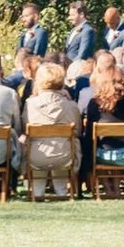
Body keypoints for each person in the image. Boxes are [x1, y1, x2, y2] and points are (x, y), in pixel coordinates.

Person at [20, 60, 80, 197]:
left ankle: (38, 192)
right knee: (68, 143)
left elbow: (24, 129)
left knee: (32, 144)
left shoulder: (30, 104)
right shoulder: (71, 106)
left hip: (36, 156)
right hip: (65, 156)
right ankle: (61, 192)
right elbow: (77, 131)